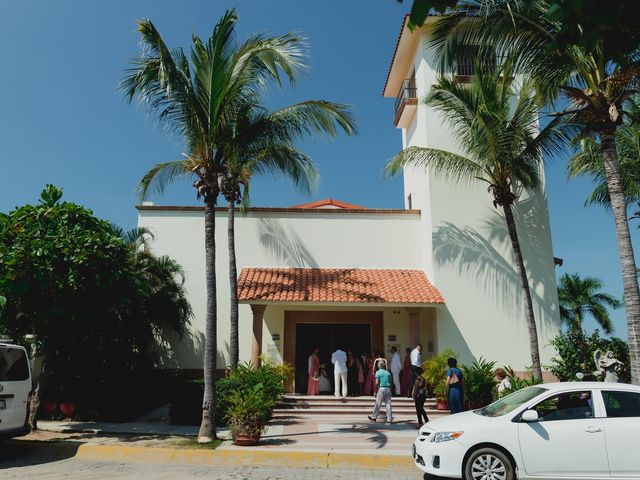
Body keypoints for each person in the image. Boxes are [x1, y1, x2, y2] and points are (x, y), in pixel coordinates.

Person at [367, 360, 393, 424]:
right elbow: (391, 382)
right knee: (388, 405)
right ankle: (389, 419)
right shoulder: (388, 373)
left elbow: (376, 382)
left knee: (378, 404)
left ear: (378, 366)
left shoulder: (378, 372)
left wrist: (375, 391)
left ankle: (374, 417)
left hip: (381, 389)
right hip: (388, 388)